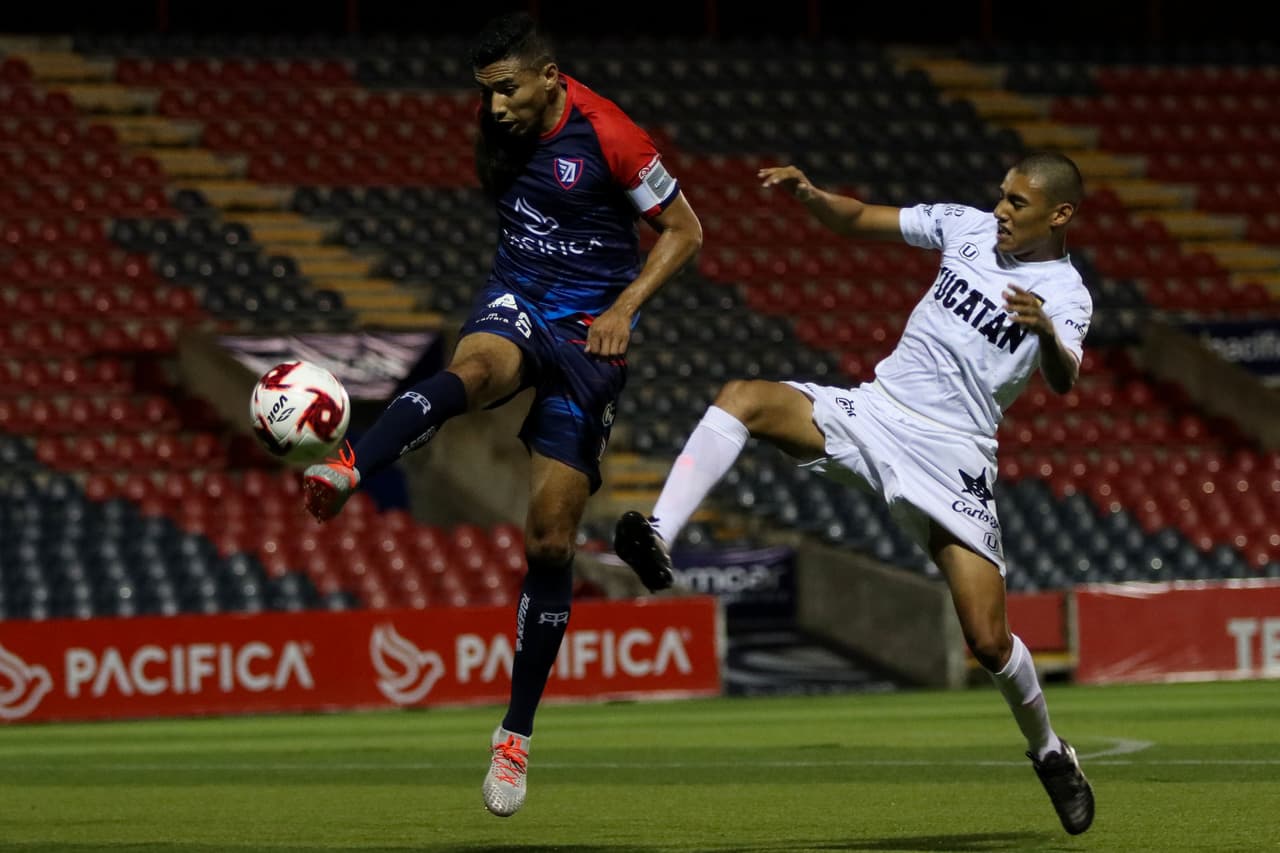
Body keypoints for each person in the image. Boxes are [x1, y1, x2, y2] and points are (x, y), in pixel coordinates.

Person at [614, 152, 1096, 835]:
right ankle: (659, 533)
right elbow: (863, 219)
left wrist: (1045, 329)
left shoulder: (1069, 295)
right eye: (1003, 196)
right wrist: (812, 196)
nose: (1002, 211)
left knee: (988, 641)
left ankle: (1050, 751)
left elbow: (1065, 377)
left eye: (1018, 202)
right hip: (874, 413)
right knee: (743, 398)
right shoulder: (966, 228)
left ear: (1060, 214)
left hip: (953, 454)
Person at [303, 12, 701, 818]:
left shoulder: (612, 134)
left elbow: (687, 230)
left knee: (550, 536)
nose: (494, 108)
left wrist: (625, 305)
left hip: (593, 338)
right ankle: (349, 464)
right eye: (485, 93)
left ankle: (515, 735)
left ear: (549, 76)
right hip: (519, 297)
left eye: (508, 89)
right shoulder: (502, 129)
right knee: (476, 368)